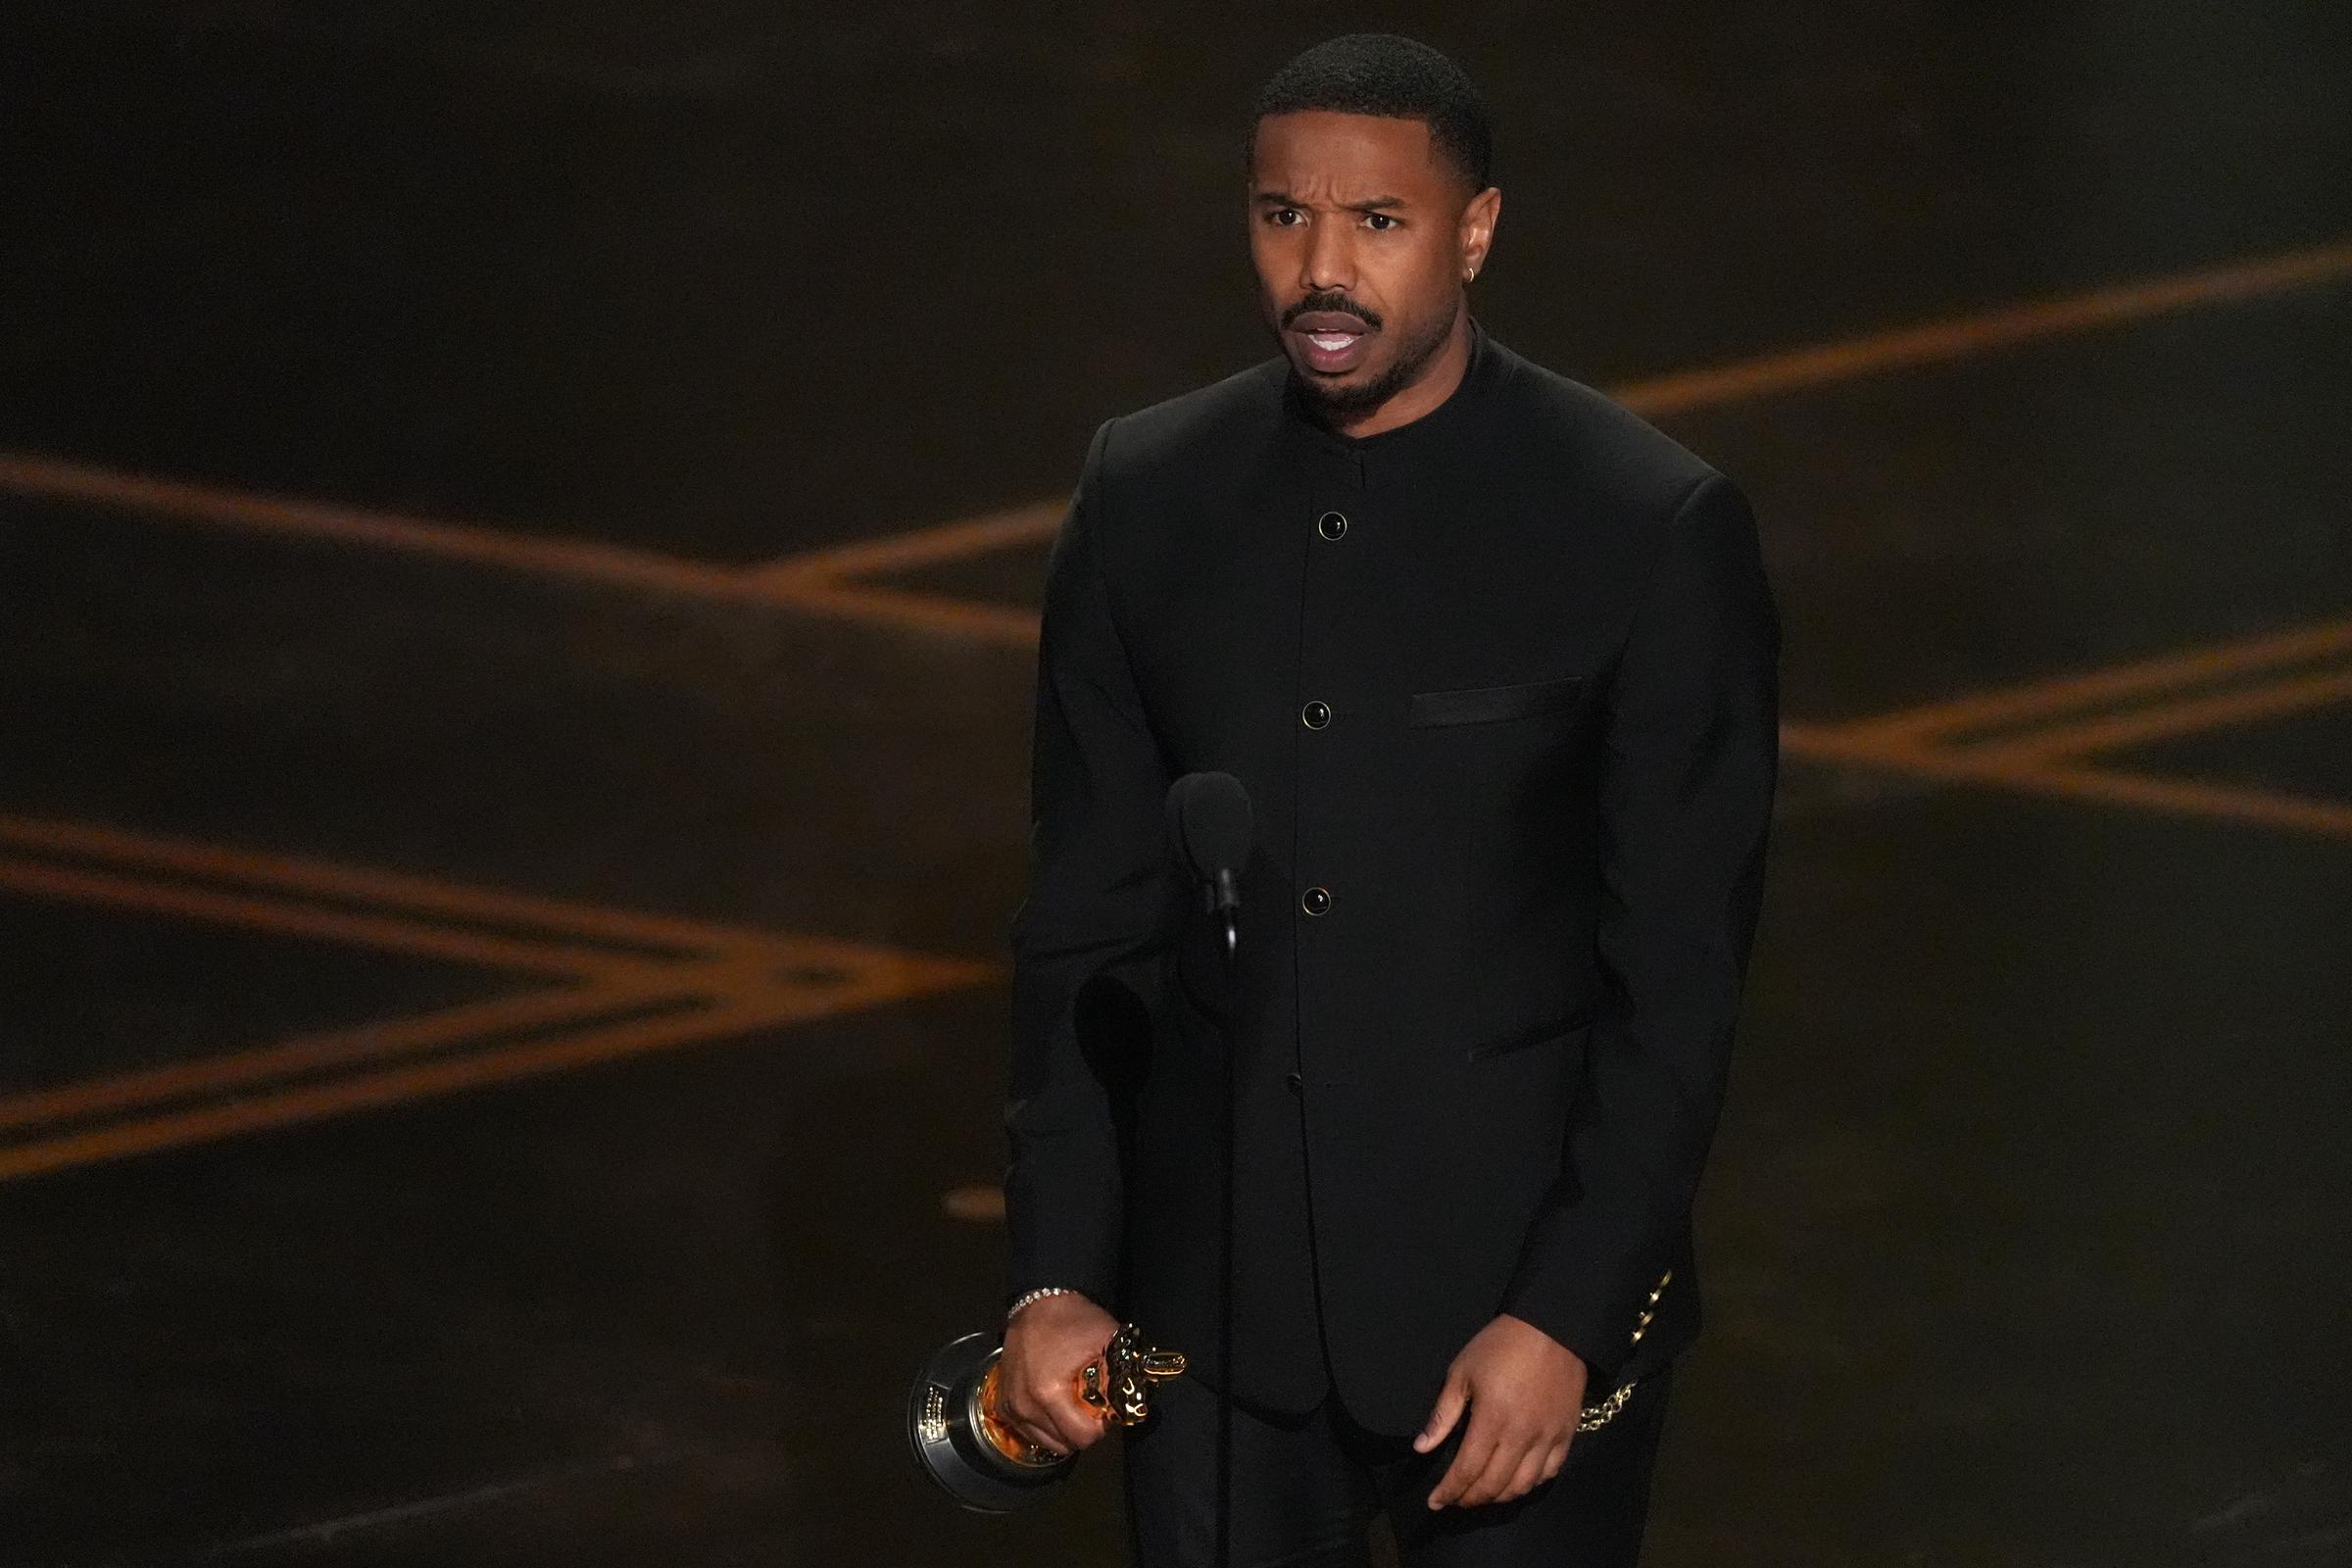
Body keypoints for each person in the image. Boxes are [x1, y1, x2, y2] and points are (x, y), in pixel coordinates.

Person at [992, 31, 1780, 1567]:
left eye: (1380, 222)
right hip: (1208, 1341)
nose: (1323, 270)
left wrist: (1566, 1316)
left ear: (1475, 230)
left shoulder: (1644, 526)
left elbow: (1676, 988)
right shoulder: (1145, 496)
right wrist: (1058, 1277)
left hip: (1511, 1340)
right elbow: (1083, 928)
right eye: (1285, 216)